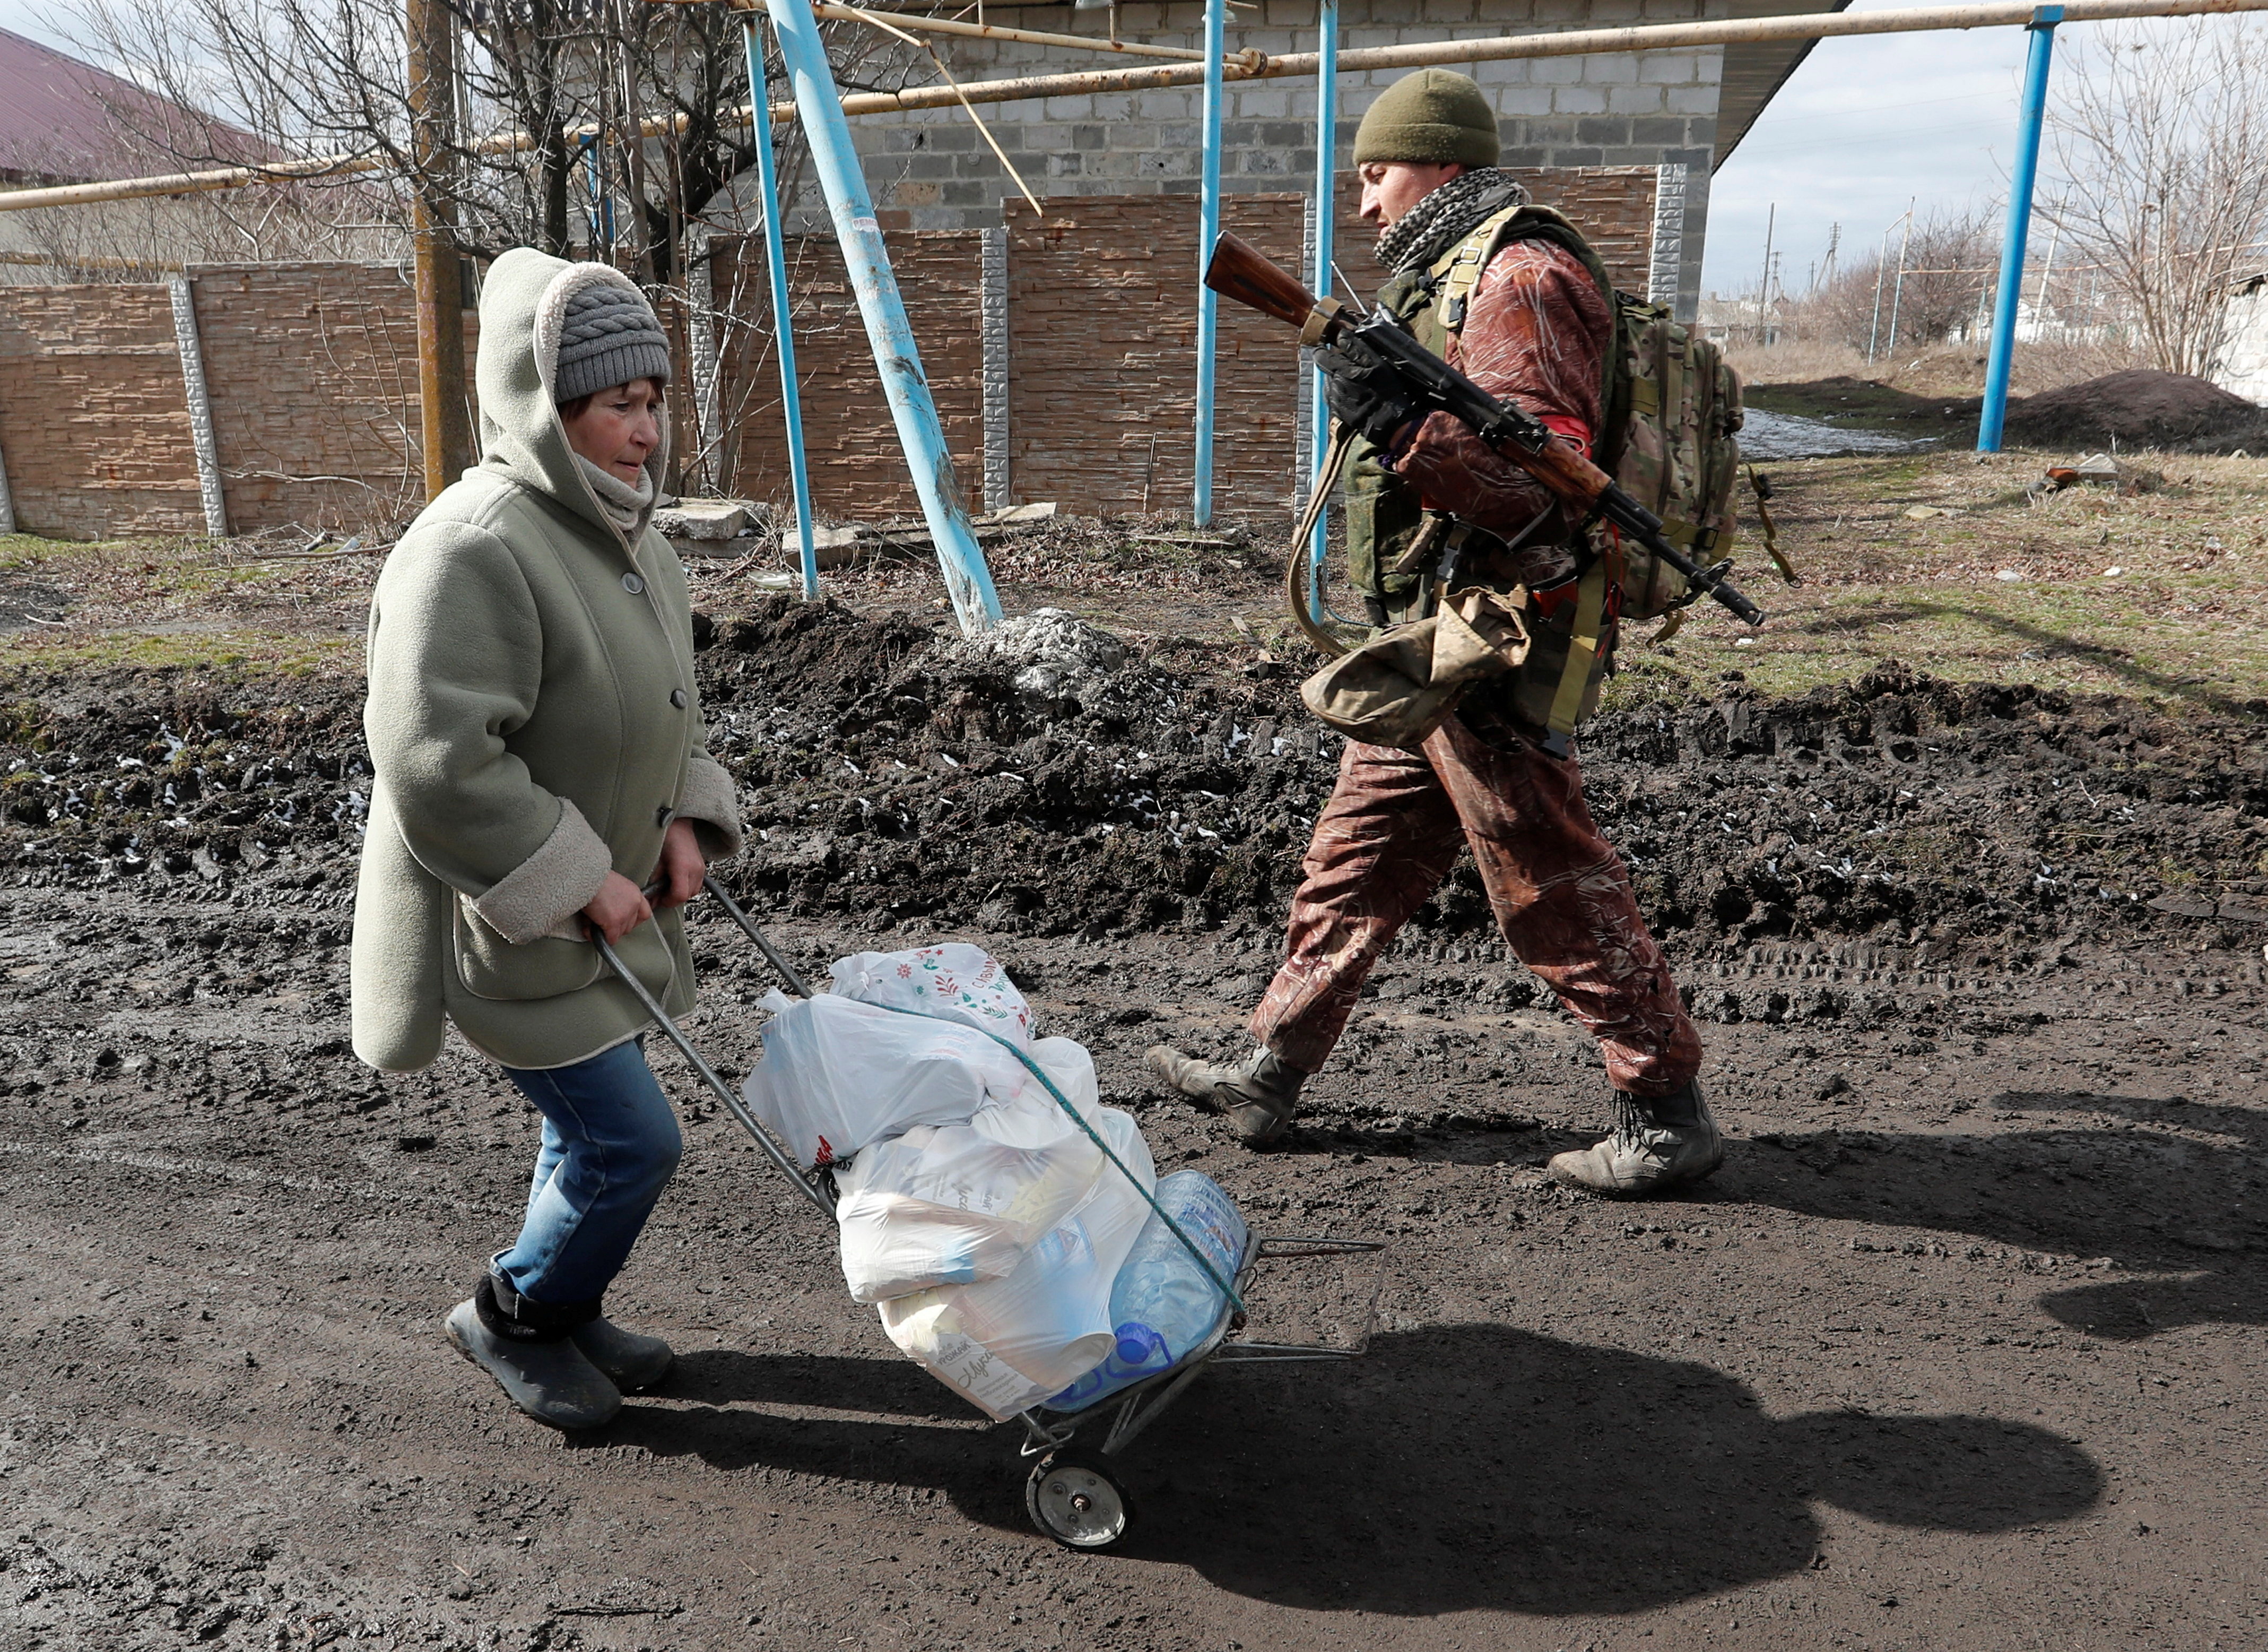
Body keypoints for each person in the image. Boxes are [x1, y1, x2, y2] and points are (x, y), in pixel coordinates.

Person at [1146, 69, 1719, 1197]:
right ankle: (1268, 1068)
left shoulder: (1519, 277)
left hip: (1501, 637)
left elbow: (1538, 492)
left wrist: (1403, 427)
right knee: (1354, 861)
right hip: (1439, 628)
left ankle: (1663, 1110)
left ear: (1442, 163)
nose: (1364, 205)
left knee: (1544, 874)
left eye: (1377, 174)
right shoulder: (1453, 275)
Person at [349, 250, 744, 1427]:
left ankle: (565, 1302)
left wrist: (684, 818)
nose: (644, 432)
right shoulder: (472, 548)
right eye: (616, 406)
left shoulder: (632, 542)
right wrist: (581, 881)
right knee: (633, 1142)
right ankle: (515, 1311)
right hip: (511, 925)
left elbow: (669, 712)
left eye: (653, 402)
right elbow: (438, 762)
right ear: (543, 401)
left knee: (587, 1131)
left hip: (607, 914)